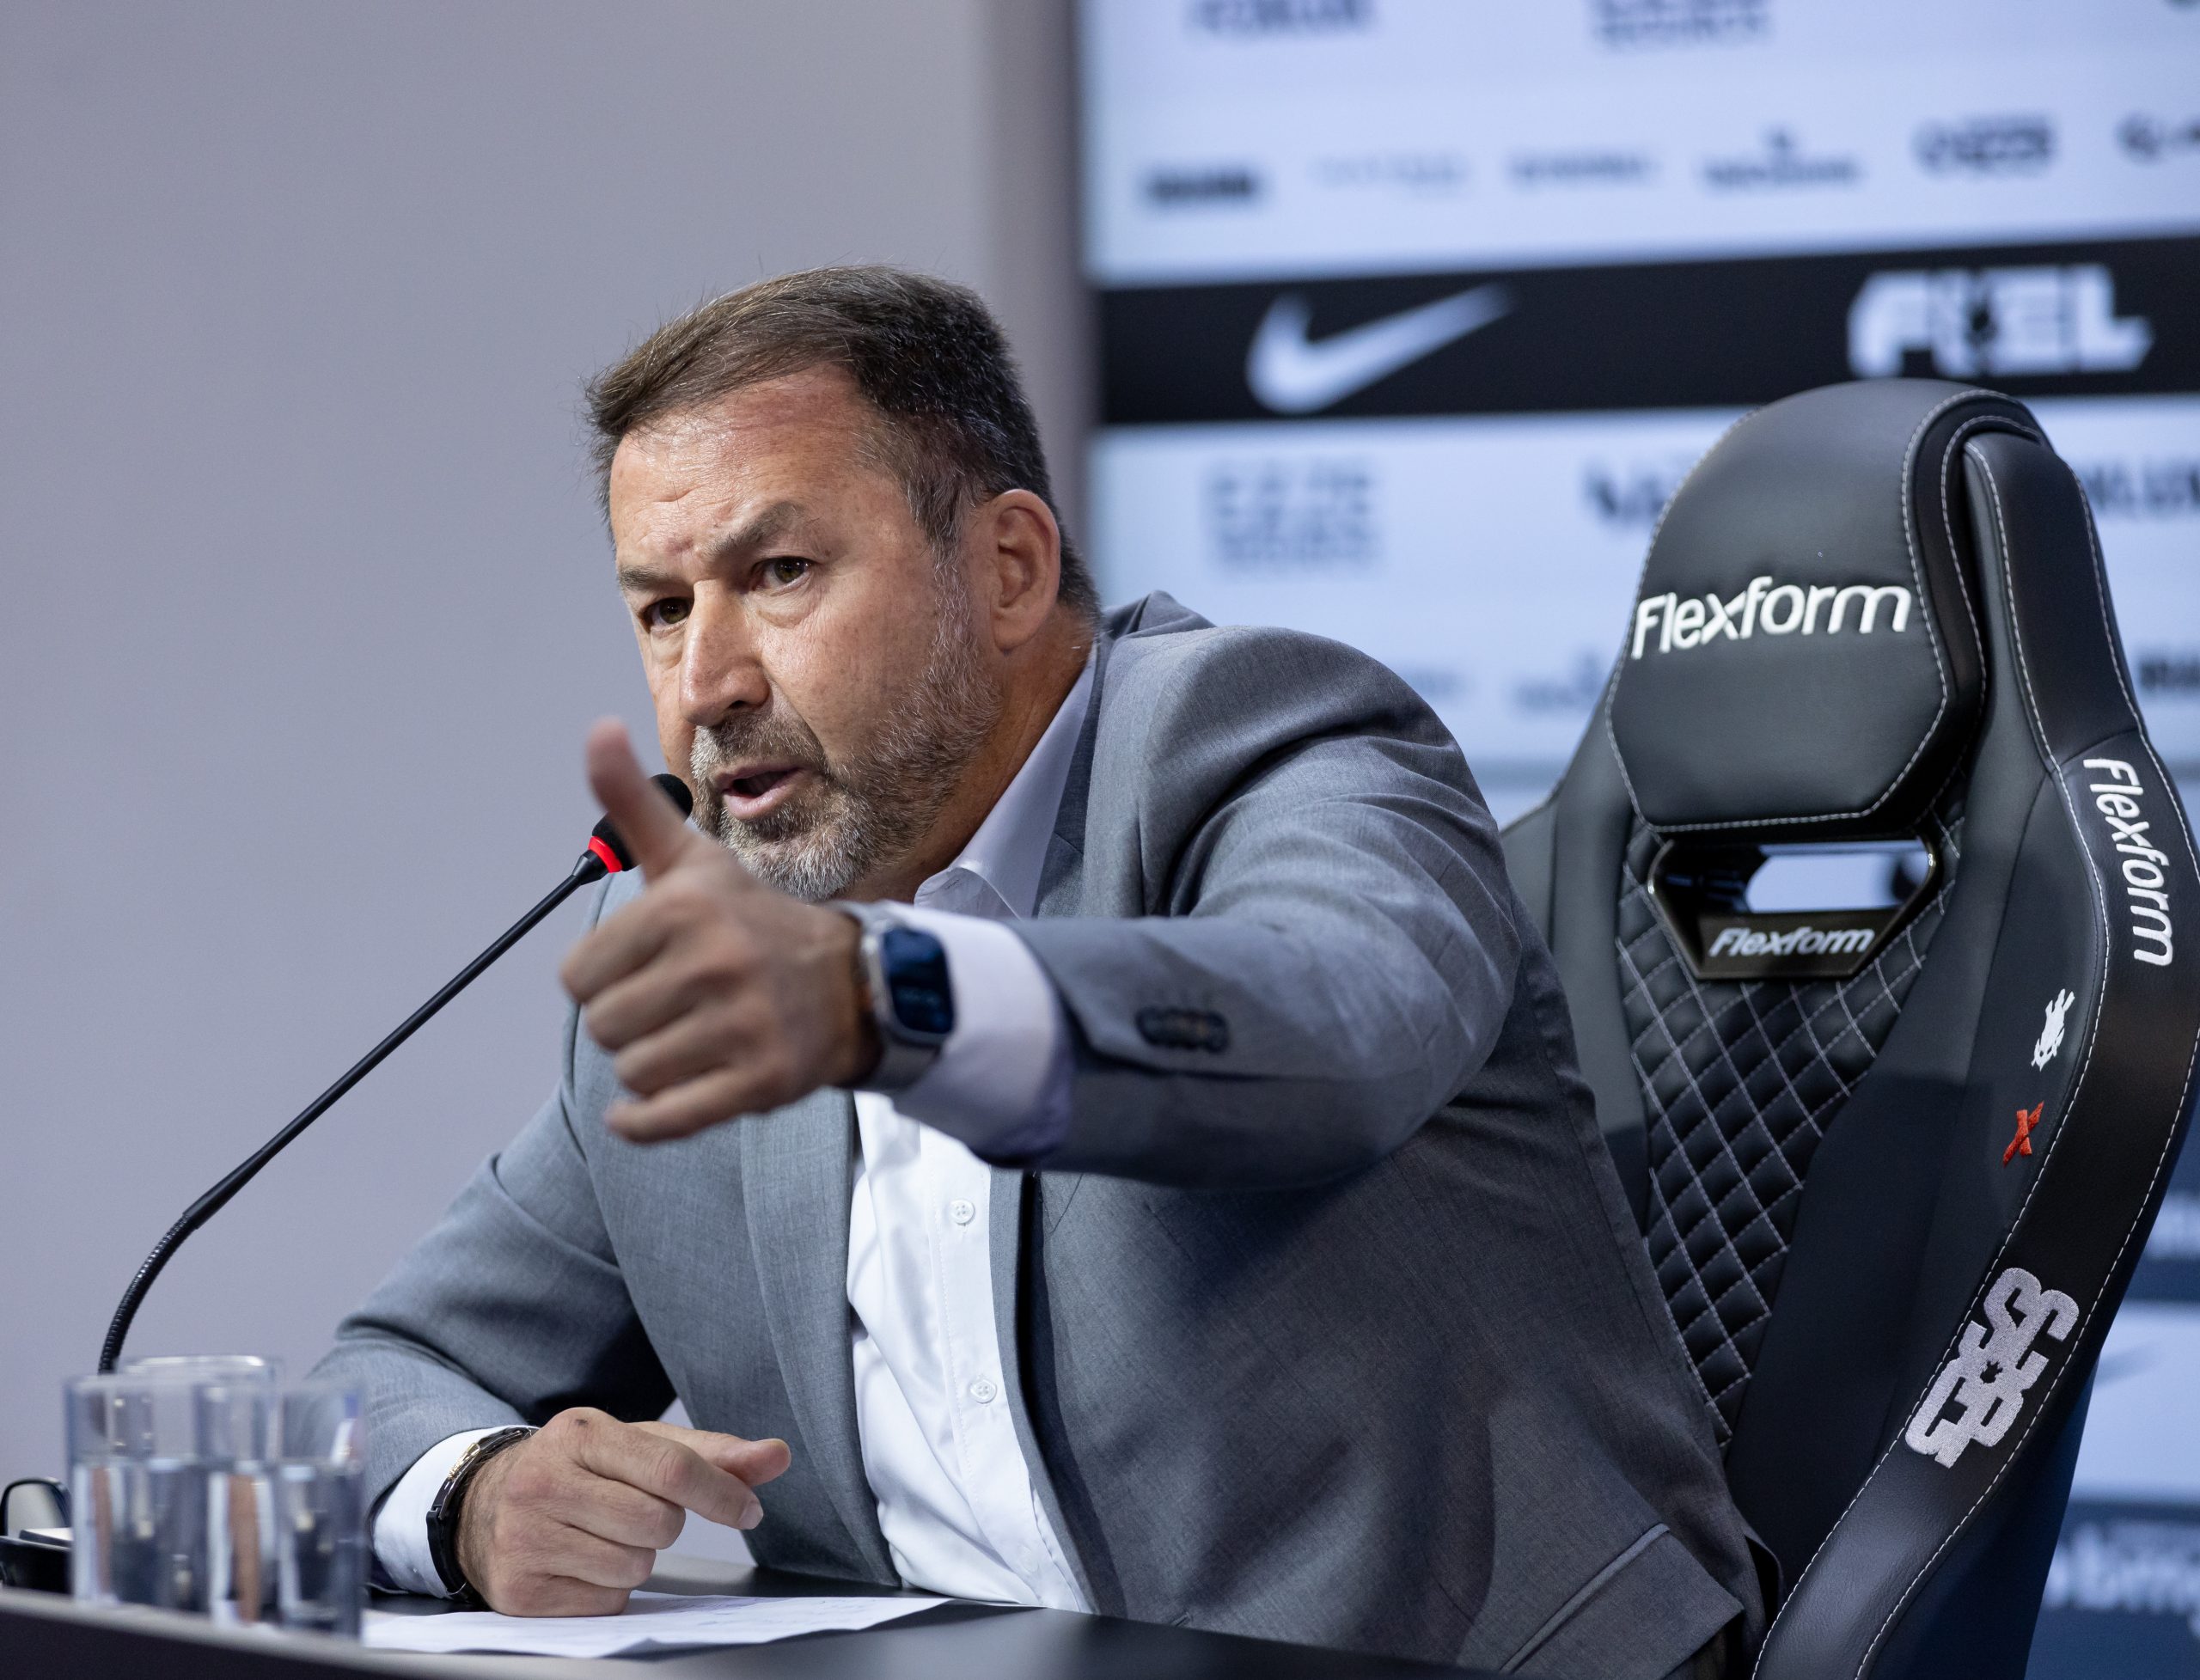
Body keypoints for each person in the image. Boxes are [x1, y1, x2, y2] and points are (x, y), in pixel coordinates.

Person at [315, 266, 1762, 1676]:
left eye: (779, 573)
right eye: (661, 609)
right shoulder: (702, 947)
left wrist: (890, 1003)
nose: (709, 682)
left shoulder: (1265, 742)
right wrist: (479, 1495)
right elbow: (382, 1373)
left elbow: (1340, 1017)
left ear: (1007, 568)